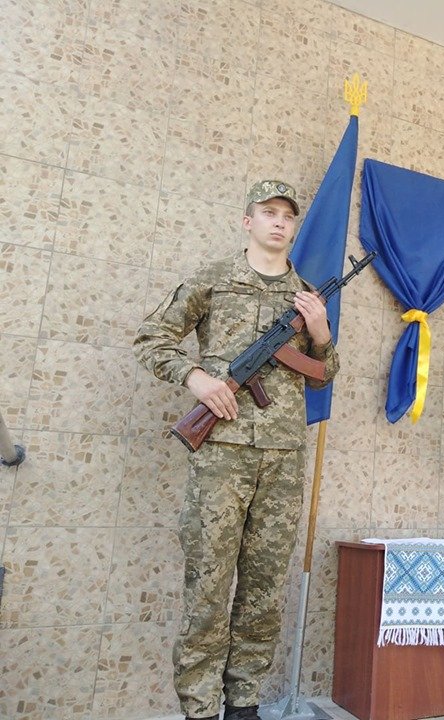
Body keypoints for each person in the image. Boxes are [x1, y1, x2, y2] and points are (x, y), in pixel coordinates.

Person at [134, 180, 340, 720]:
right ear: (247, 221)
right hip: (221, 452)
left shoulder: (307, 295)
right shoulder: (213, 279)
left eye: (287, 216)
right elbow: (152, 338)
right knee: (209, 584)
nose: (278, 222)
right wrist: (196, 378)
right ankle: (200, 708)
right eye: (267, 213)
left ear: (294, 228)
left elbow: (324, 377)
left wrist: (319, 333)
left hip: (282, 457)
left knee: (264, 588)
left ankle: (243, 703)